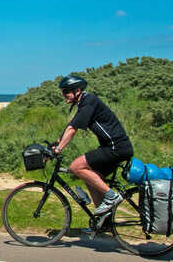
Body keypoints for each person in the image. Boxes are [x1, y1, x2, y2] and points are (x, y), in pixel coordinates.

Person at [53, 75, 134, 216]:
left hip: (116, 147)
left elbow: (73, 129)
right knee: (91, 179)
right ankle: (103, 221)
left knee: (76, 167)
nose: (63, 95)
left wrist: (59, 149)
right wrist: (54, 146)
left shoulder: (89, 101)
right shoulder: (84, 103)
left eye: (66, 91)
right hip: (113, 147)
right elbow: (70, 126)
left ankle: (112, 197)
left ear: (77, 90)